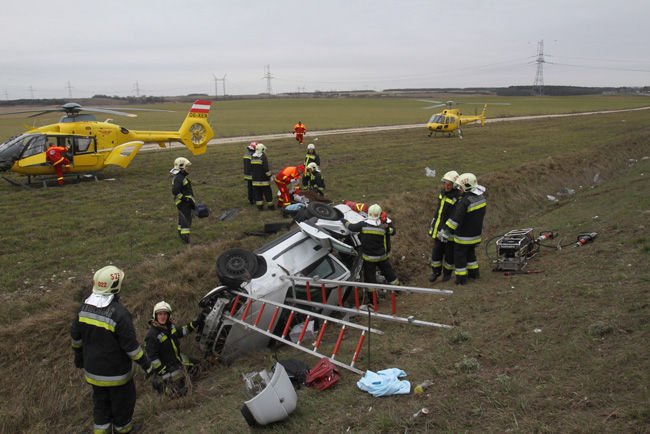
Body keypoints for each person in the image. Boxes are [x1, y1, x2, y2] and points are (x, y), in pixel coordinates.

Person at [70, 265, 152, 434]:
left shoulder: (82, 309)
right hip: (117, 375)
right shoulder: (120, 314)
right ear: (115, 287)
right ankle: (125, 430)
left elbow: (75, 338)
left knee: (100, 406)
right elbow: (131, 348)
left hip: (93, 373)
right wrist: (146, 364)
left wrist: (79, 357)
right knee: (123, 404)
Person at [145, 301, 205, 398]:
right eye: (160, 314)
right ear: (155, 315)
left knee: (197, 366)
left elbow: (183, 331)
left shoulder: (170, 327)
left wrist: (196, 321)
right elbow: (152, 357)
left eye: (165, 314)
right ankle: (163, 386)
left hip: (177, 360)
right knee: (180, 392)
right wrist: (162, 370)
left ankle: (183, 379)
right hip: (166, 368)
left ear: (168, 315)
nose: (162, 316)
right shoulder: (152, 335)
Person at [438, 173, 487, 285]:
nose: (458, 189)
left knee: (459, 257)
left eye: (460, 187)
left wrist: (446, 230)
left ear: (466, 187)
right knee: (471, 255)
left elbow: (455, 219)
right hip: (476, 235)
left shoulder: (464, 202)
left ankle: (461, 279)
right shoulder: (481, 197)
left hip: (463, 237)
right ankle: (474, 273)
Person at [345, 204, 400, 286]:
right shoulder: (383, 227)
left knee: (370, 279)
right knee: (389, 273)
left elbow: (351, 227)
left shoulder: (363, 225)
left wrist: (343, 221)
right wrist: (388, 226)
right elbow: (393, 232)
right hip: (382, 256)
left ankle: (372, 297)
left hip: (369, 258)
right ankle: (397, 289)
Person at [428, 170, 460, 283]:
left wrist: (446, 230)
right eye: (445, 183)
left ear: (454, 185)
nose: (446, 186)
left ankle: (447, 273)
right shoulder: (443, 194)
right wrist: (433, 227)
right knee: (436, 252)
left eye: (449, 184)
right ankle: (435, 272)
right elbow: (438, 213)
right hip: (439, 229)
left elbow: (454, 216)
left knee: (449, 254)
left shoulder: (457, 198)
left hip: (449, 232)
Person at [171, 157, 195, 244]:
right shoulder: (179, 178)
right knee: (186, 220)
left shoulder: (180, 177)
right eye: (186, 167)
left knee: (182, 219)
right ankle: (185, 239)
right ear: (181, 167)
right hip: (184, 203)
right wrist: (184, 198)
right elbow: (175, 191)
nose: (188, 169)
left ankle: (181, 235)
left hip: (184, 203)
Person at [250, 143, 275, 210]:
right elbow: (266, 169)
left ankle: (260, 207)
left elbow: (251, 168)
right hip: (264, 181)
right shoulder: (263, 157)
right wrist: (270, 176)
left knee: (258, 194)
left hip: (255, 180)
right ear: (262, 149)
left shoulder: (252, 156)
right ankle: (271, 207)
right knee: (268, 194)